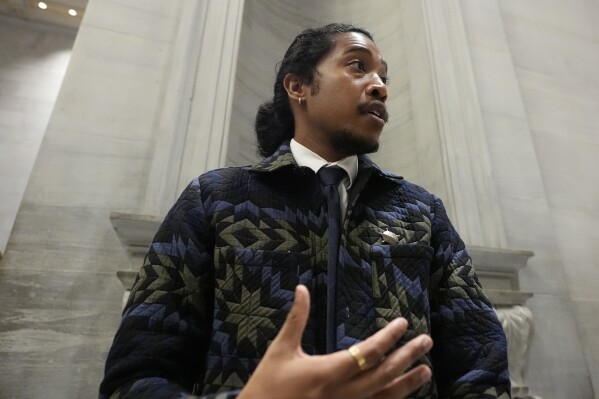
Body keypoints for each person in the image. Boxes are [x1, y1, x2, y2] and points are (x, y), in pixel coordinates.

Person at [99, 23, 510, 399]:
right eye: (358, 66)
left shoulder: (422, 212)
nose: (381, 87)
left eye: (384, 77)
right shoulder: (214, 199)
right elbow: (133, 379)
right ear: (298, 86)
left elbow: (482, 368)